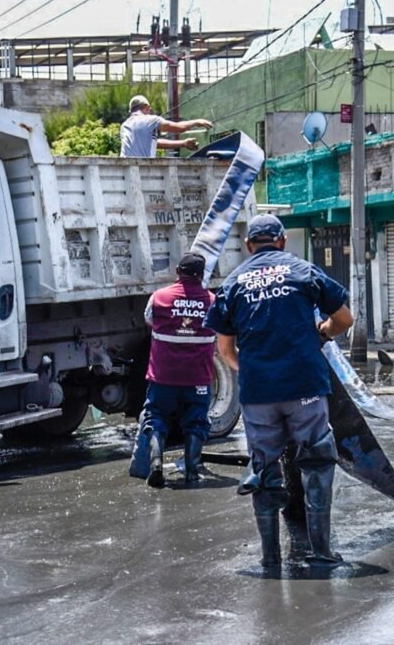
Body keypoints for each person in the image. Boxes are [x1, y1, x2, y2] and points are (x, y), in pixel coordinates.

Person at [204, 214, 354, 569]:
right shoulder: (304, 271)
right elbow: (345, 319)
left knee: (265, 467)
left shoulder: (233, 283)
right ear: (283, 241)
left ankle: (270, 557)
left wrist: (257, 371)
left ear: (248, 245)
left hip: (259, 394)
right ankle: (321, 551)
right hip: (305, 385)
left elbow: (225, 353)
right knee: (317, 462)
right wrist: (322, 333)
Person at [128, 252, 217, 488]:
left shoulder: (158, 298)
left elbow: (149, 321)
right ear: (202, 274)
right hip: (198, 378)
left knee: (156, 417)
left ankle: (156, 465)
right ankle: (192, 472)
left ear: (178, 271)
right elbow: (220, 329)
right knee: (196, 421)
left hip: (163, 377)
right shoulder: (212, 301)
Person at [120, 95, 213, 158]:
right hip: (143, 170)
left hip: (124, 171)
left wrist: (183, 143)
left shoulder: (125, 126)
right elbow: (178, 128)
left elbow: (155, 143)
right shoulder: (150, 120)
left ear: (131, 111)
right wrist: (197, 122)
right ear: (147, 107)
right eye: (150, 110)